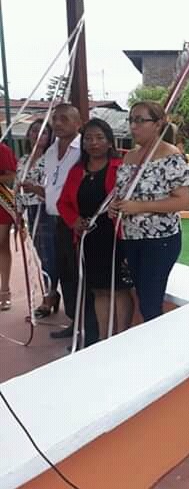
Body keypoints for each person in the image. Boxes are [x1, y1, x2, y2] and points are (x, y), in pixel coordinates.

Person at [110, 101, 189, 322]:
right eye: (131, 120)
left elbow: (184, 201)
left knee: (150, 300)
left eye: (140, 120)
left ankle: (160, 341)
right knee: (142, 295)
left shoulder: (171, 157)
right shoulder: (129, 157)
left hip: (160, 240)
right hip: (131, 237)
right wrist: (115, 206)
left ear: (157, 124)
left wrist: (140, 207)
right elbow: (123, 193)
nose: (133, 126)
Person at [57, 119, 134, 340]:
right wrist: (74, 221)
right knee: (99, 289)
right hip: (89, 239)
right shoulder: (76, 171)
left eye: (100, 138)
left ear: (110, 142)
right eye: (88, 138)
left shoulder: (120, 168)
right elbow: (63, 203)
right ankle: (103, 339)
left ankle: (122, 338)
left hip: (116, 237)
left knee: (119, 288)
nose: (94, 143)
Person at [44, 104, 99, 344]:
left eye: (64, 119)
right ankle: (75, 322)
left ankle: (89, 329)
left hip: (78, 223)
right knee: (65, 274)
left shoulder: (85, 150)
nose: (57, 123)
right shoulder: (49, 151)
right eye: (55, 118)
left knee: (82, 277)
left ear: (78, 123)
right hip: (56, 221)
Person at [16, 119, 61, 318]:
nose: (37, 135)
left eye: (43, 132)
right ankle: (51, 293)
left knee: (50, 255)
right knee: (41, 256)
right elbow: (17, 187)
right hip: (31, 211)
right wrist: (18, 213)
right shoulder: (24, 160)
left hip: (46, 210)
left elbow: (55, 189)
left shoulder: (52, 159)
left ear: (50, 136)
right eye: (34, 131)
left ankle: (49, 297)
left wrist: (35, 189)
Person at [0, 133, 17, 311]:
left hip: (1, 203)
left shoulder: (2, 150)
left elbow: (12, 175)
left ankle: (4, 291)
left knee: (2, 246)